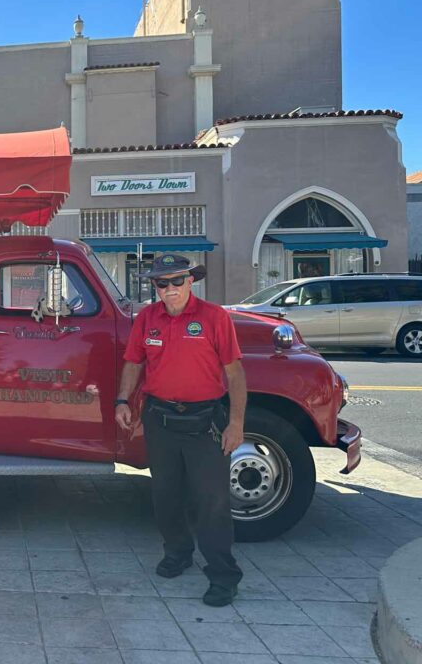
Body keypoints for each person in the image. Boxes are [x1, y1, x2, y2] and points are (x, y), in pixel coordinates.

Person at [114, 254, 246, 607]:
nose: (169, 288)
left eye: (176, 281)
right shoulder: (147, 318)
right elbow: (133, 362)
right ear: (155, 286)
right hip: (161, 419)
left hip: (206, 421)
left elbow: (235, 373)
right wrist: (123, 400)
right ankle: (177, 553)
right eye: (162, 282)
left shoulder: (214, 317)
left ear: (191, 281)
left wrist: (236, 423)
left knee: (212, 501)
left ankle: (223, 576)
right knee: (166, 495)